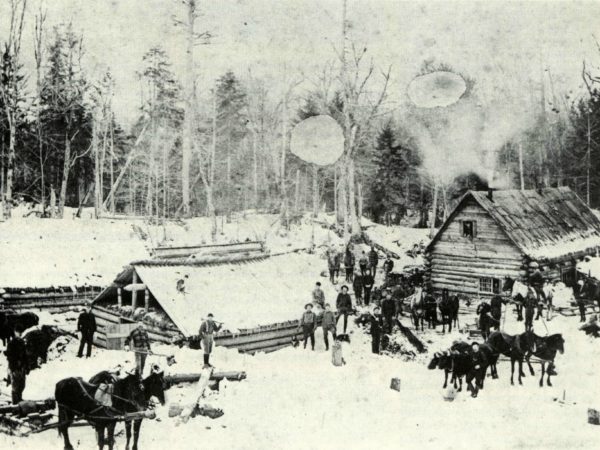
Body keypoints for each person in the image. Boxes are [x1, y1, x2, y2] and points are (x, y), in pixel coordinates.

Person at [6, 324, 28, 404]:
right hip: (14, 367)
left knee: (22, 385)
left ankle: (19, 399)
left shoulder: (22, 342)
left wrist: (26, 366)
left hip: (22, 367)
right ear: (15, 332)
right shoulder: (11, 343)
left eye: (21, 332)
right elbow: (9, 356)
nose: (20, 334)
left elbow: (25, 355)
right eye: (18, 332)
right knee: (15, 385)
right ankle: (15, 402)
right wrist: (14, 365)